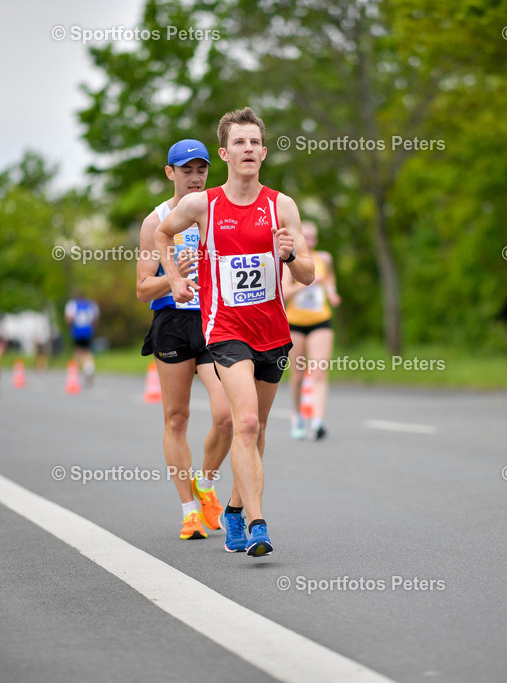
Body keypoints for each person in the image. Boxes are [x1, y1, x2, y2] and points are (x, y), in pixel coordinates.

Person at [155, 107, 315, 557]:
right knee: (242, 421)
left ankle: (231, 507)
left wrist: (288, 256)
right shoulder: (202, 205)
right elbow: (164, 236)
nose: (247, 149)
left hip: (273, 331)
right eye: (238, 143)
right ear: (225, 153)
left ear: (263, 153)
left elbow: (308, 274)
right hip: (224, 330)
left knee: (257, 426)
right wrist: (174, 277)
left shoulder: (281, 205)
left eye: (254, 143)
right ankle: (257, 522)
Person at [137, 138, 231, 541]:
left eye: (201, 170)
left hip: (215, 322)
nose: (195, 177)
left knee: (227, 414)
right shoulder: (155, 220)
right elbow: (143, 289)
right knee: (177, 418)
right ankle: (189, 511)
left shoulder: (220, 210)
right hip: (173, 322)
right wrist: (172, 274)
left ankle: (206, 482)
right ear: (170, 173)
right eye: (186, 170)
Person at [282, 220, 340, 440]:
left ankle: (317, 421)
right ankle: (297, 415)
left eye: (313, 237)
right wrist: (307, 283)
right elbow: (284, 294)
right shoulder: (289, 261)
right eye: (305, 237)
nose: (310, 242)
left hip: (320, 320)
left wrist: (332, 293)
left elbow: (330, 277)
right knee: (297, 375)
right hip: (295, 323)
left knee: (319, 370)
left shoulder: (324, 258)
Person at [64, 293, 100, 386]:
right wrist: (93, 329)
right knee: (87, 352)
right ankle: (89, 369)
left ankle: (77, 373)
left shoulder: (72, 305)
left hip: (77, 331)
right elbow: (95, 319)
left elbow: (69, 318)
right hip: (88, 331)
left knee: (78, 352)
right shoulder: (91, 304)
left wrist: (70, 328)